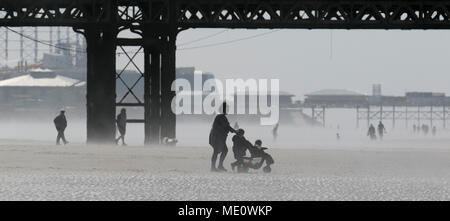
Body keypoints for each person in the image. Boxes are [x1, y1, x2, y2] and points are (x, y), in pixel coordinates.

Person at [209, 102, 236, 172]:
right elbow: (226, 126)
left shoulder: (222, 116)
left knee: (223, 150)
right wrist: (235, 131)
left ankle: (219, 166)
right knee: (217, 151)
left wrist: (234, 131)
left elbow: (226, 127)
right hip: (216, 137)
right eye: (227, 109)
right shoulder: (220, 116)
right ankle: (213, 167)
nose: (228, 110)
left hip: (219, 138)